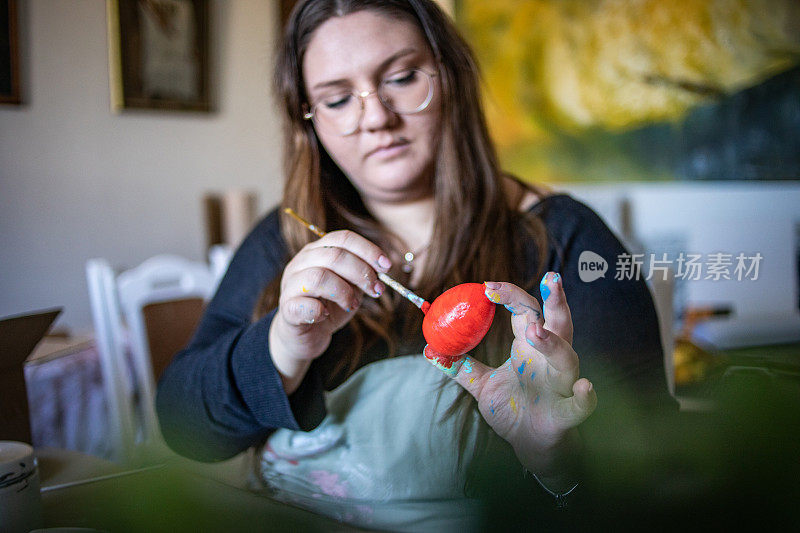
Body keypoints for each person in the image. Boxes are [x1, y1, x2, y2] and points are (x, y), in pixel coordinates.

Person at [156, 0, 676, 528]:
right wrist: (282, 349)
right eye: (336, 100)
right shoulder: (284, 239)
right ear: (308, 122)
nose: (376, 117)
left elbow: (656, 477)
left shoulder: (567, 239)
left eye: (402, 78)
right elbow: (183, 427)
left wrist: (557, 459)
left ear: (449, 76)